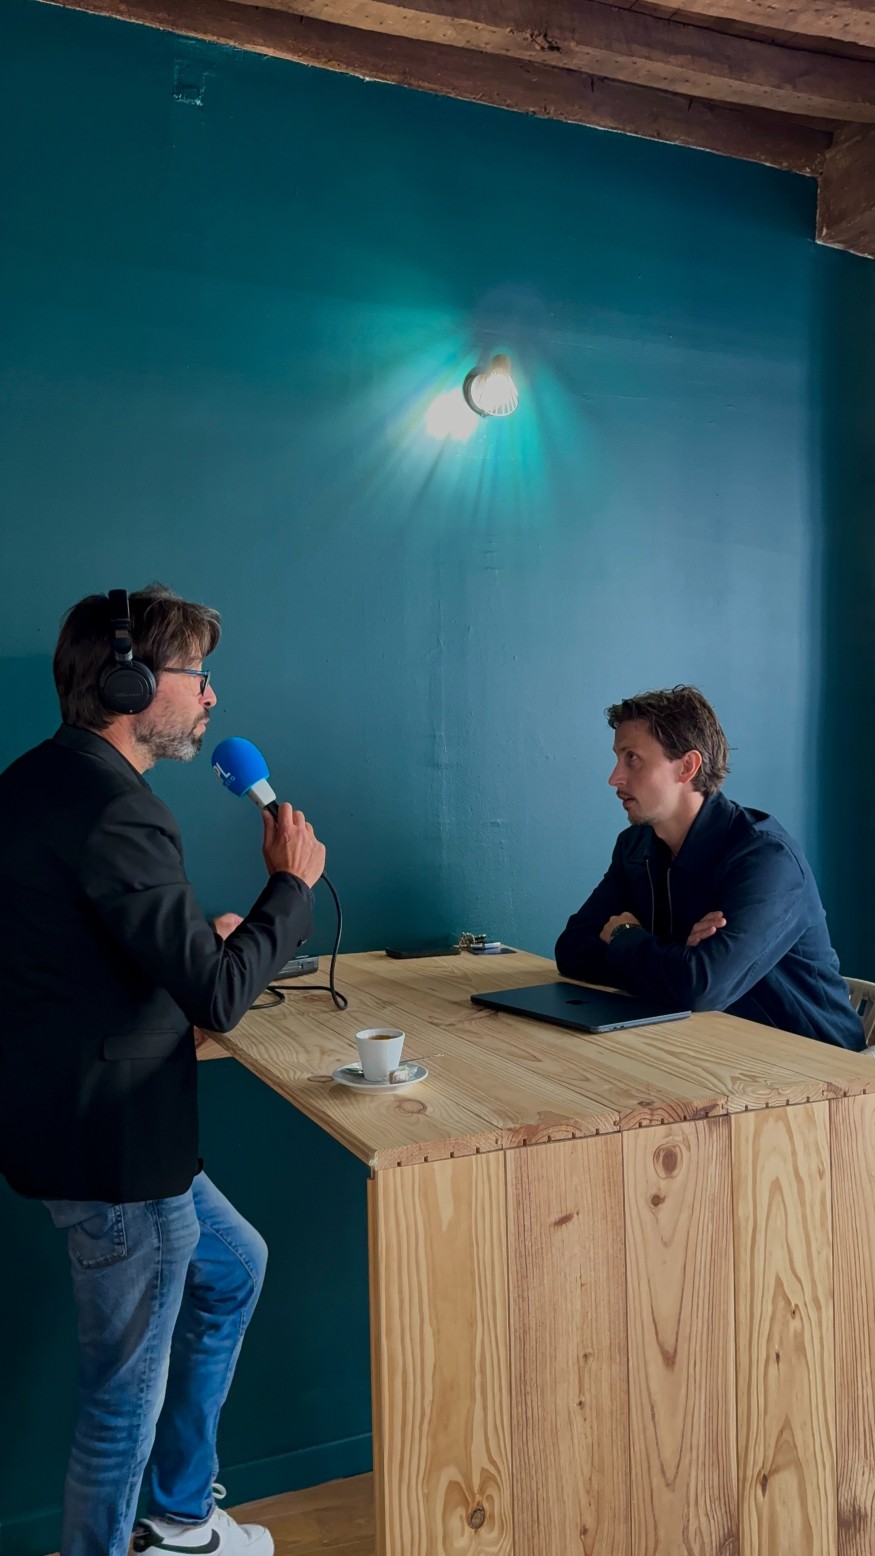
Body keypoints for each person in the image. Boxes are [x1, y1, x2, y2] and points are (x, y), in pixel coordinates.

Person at [0, 585, 326, 1556]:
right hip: (117, 1153)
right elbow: (218, 997)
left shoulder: (38, 780)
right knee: (121, 1399)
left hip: (75, 1122)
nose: (211, 696)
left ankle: (182, 1517)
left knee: (233, 1266)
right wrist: (288, 888)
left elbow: (81, 952)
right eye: (198, 674)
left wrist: (197, 939)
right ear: (131, 683)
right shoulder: (120, 810)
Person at [555, 685, 863, 1050]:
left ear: (687, 767)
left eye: (632, 758)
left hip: (817, 1062)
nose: (614, 777)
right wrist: (677, 957)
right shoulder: (635, 847)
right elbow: (571, 950)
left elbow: (700, 988)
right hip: (711, 1049)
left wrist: (624, 935)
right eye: (618, 757)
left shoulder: (766, 860)